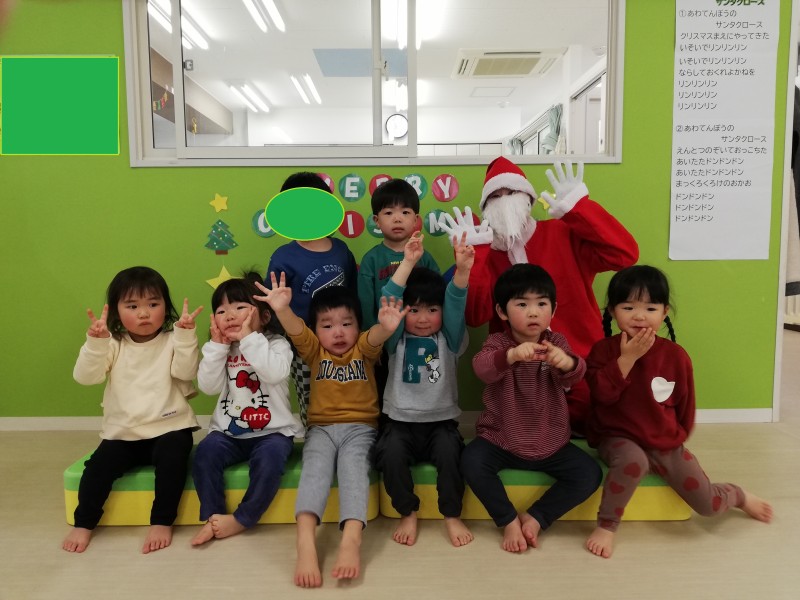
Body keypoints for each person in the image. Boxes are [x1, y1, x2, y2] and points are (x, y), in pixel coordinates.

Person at [438, 158, 639, 434]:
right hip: (521, 382)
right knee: (527, 435)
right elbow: (475, 316)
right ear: (485, 209)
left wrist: (579, 209)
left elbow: (625, 255)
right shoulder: (486, 253)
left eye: (511, 192)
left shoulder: (562, 232)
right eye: (495, 196)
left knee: (606, 426)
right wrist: (478, 255)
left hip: (581, 365)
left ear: (528, 199)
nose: (504, 200)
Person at [584, 265, 773, 559]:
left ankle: (737, 494)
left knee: (708, 506)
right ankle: (607, 525)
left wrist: (674, 440)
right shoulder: (602, 351)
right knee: (632, 461)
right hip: (617, 436)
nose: (639, 316)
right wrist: (627, 359)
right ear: (612, 311)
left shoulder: (676, 356)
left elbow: (685, 406)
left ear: (664, 312)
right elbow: (601, 396)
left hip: (664, 442)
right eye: (628, 307)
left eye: (650, 308)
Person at [255, 273, 408, 588]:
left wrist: (386, 327)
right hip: (320, 429)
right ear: (316, 330)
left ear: (357, 326)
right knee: (315, 472)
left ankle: (351, 539)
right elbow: (297, 330)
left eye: (346, 323)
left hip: (360, 429)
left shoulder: (363, 348)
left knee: (353, 472)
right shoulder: (314, 352)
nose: (338, 332)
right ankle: (305, 541)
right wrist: (282, 309)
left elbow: (375, 337)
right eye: (327, 325)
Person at [461, 263, 602, 553]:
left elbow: (576, 374)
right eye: (522, 304)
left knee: (589, 474)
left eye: (541, 304)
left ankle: (537, 517)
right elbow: (482, 368)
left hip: (551, 441)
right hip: (501, 439)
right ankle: (508, 520)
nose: (533, 312)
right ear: (502, 312)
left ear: (553, 309)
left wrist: (567, 363)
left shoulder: (556, 343)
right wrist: (511, 355)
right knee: (470, 461)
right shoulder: (497, 343)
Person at [62, 266, 203, 554]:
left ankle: (162, 520)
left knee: (173, 462)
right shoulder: (114, 344)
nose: (144, 313)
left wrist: (186, 337)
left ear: (166, 307)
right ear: (116, 310)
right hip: (124, 433)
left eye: (153, 304)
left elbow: (186, 372)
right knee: (97, 470)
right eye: (132, 306)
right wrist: (95, 343)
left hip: (170, 427)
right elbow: (85, 377)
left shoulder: (173, 339)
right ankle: (84, 523)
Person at [373, 231, 474, 547]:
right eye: (414, 310)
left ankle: (452, 515)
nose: (422, 319)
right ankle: (407, 512)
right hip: (399, 422)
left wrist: (462, 271)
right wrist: (407, 262)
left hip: (440, 423)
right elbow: (391, 297)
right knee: (390, 456)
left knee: (451, 455)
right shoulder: (395, 339)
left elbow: (455, 301)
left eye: (432, 310)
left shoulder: (450, 339)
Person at [190, 273, 303, 546]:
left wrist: (250, 338)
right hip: (229, 432)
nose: (230, 315)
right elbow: (208, 386)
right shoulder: (221, 350)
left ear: (263, 316)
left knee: (269, 462)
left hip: (273, 433)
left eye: (240, 307)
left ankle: (243, 518)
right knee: (204, 455)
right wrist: (217, 347)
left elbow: (274, 373)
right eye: (221, 311)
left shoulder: (276, 344)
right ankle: (213, 516)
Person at [266, 172, 358, 426]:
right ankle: (314, 436)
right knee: (311, 398)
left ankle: (349, 434)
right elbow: (274, 302)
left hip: (343, 341)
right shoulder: (283, 257)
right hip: (303, 345)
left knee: (349, 392)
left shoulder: (341, 250)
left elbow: (352, 291)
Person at [358, 178, 440, 410]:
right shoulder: (372, 259)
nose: (397, 218)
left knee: (420, 384)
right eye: (388, 213)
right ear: (376, 220)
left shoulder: (424, 257)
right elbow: (365, 302)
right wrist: (371, 340)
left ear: (416, 220)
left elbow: (438, 296)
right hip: (384, 339)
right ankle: (387, 426)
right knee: (383, 388)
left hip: (420, 337)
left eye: (405, 212)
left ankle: (422, 419)